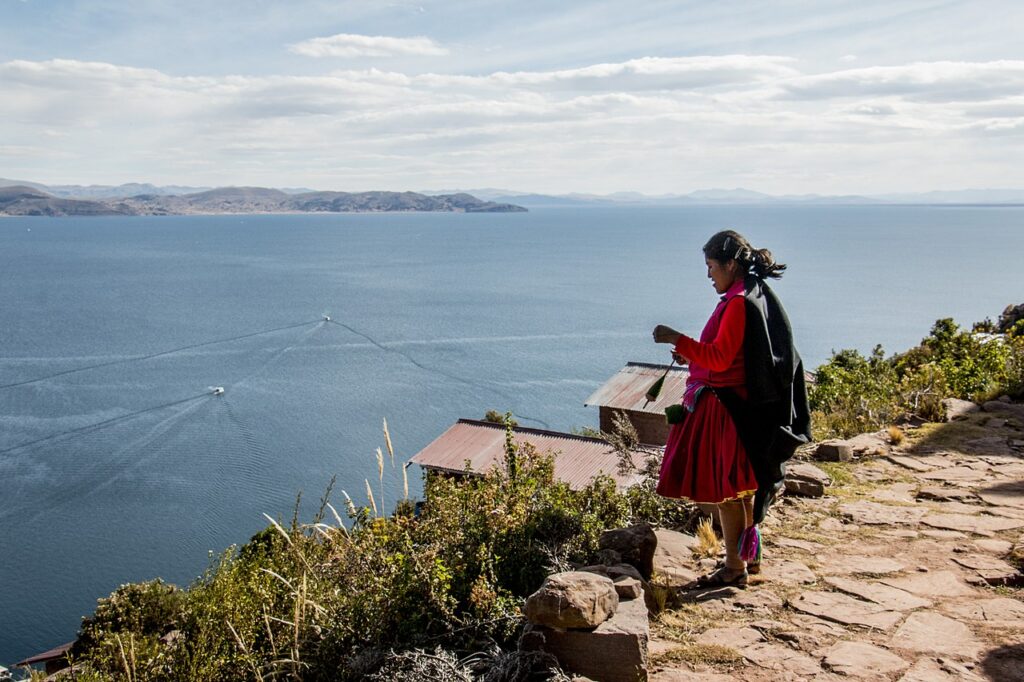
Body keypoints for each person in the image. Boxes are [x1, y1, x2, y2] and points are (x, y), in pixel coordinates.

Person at [652, 230, 810, 587]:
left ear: (730, 264)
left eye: (711, 267)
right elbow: (729, 353)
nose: (709, 275)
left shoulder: (737, 303)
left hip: (726, 412)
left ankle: (734, 567)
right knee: (739, 492)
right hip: (740, 408)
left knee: (726, 495)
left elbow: (721, 360)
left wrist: (678, 339)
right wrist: (690, 351)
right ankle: (747, 559)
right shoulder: (746, 296)